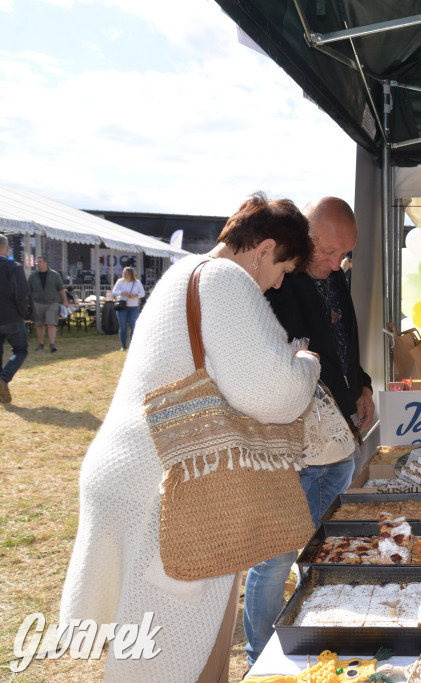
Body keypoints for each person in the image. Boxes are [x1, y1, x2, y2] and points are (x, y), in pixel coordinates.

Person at [60, 193, 320, 682]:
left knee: (146, 647)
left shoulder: (182, 273)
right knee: (180, 658)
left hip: (133, 473)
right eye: (281, 268)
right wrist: (305, 363)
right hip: (170, 488)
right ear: (263, 249)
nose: (278, 283)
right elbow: (273, 392)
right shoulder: (225, 279)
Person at [244, 196, 375, 667]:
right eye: (326, 251)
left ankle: (307, 633)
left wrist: (361, 383)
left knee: (320, 547)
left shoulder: (333, 275)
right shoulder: (278, 275)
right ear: (305, 233)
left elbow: (342, 341)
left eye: (343, 254)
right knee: (274, 557)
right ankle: (261, 657)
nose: (334, 262)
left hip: (337, 442)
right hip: (291, 450)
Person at [0, 234, 32, 403]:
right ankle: (4, 378)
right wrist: (23, 313)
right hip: (11, 315)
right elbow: (21, 294)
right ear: (6, 249)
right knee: (21, 350)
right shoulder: (14, 267)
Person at [27, 256, 68, 353]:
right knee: (40, 325)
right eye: (37, 262)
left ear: (46, 263)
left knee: (51, 324)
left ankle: (52, 344)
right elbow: (28, 291)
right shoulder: (32, 276)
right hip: (38, 303)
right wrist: (29, 303)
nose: (38, 264)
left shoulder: (55, 275)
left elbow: (61, 288)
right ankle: (41, 344)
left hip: (52, 303)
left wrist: (65, 300)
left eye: (40, 262)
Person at [111, 266, 146, 350]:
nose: (124, 274)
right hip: (122, 307)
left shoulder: (137, 282)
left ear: (131, 274)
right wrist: (121, 293)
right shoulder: (120, 281)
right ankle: (123, 345)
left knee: (133, 325)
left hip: (133, 307)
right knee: (123, 326)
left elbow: (143, 293)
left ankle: (133, 344)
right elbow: (114, 292)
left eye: (126, 273)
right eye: (123, 273)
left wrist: (136, 295)